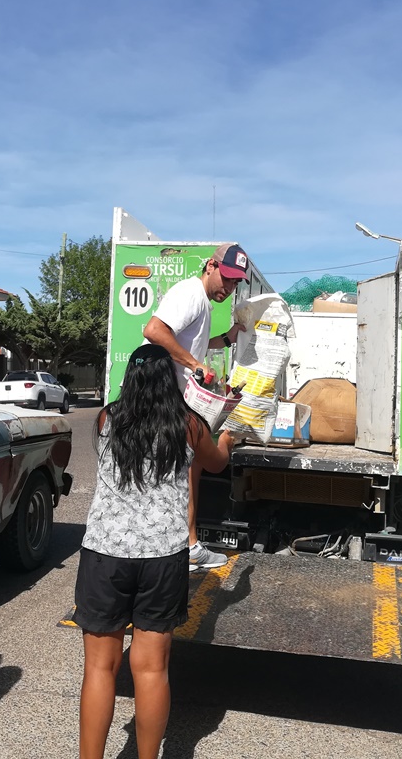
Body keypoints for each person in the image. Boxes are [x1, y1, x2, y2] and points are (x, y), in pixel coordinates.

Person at [74, 343, 234, 759]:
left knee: (99, 668)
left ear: (130, 378)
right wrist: (228, 437)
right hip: (162, 556)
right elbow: (216, 463)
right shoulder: (188, 424)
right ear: (171, 381)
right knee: (151, 669)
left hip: (105, 552)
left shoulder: (107, 417)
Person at [143, 242, 249, 571]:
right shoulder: (190, 293)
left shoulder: (202, 302)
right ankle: (180, 548)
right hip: (156, 400)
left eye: (235, 282)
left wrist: (227, 338)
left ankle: (185, 546)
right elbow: (154, 330)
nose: (229, 287)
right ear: (210, 266)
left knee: (188, 471)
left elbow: (192, 344)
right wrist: (195, 365)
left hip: (169, 400)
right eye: (226, 278)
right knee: (184, 470)